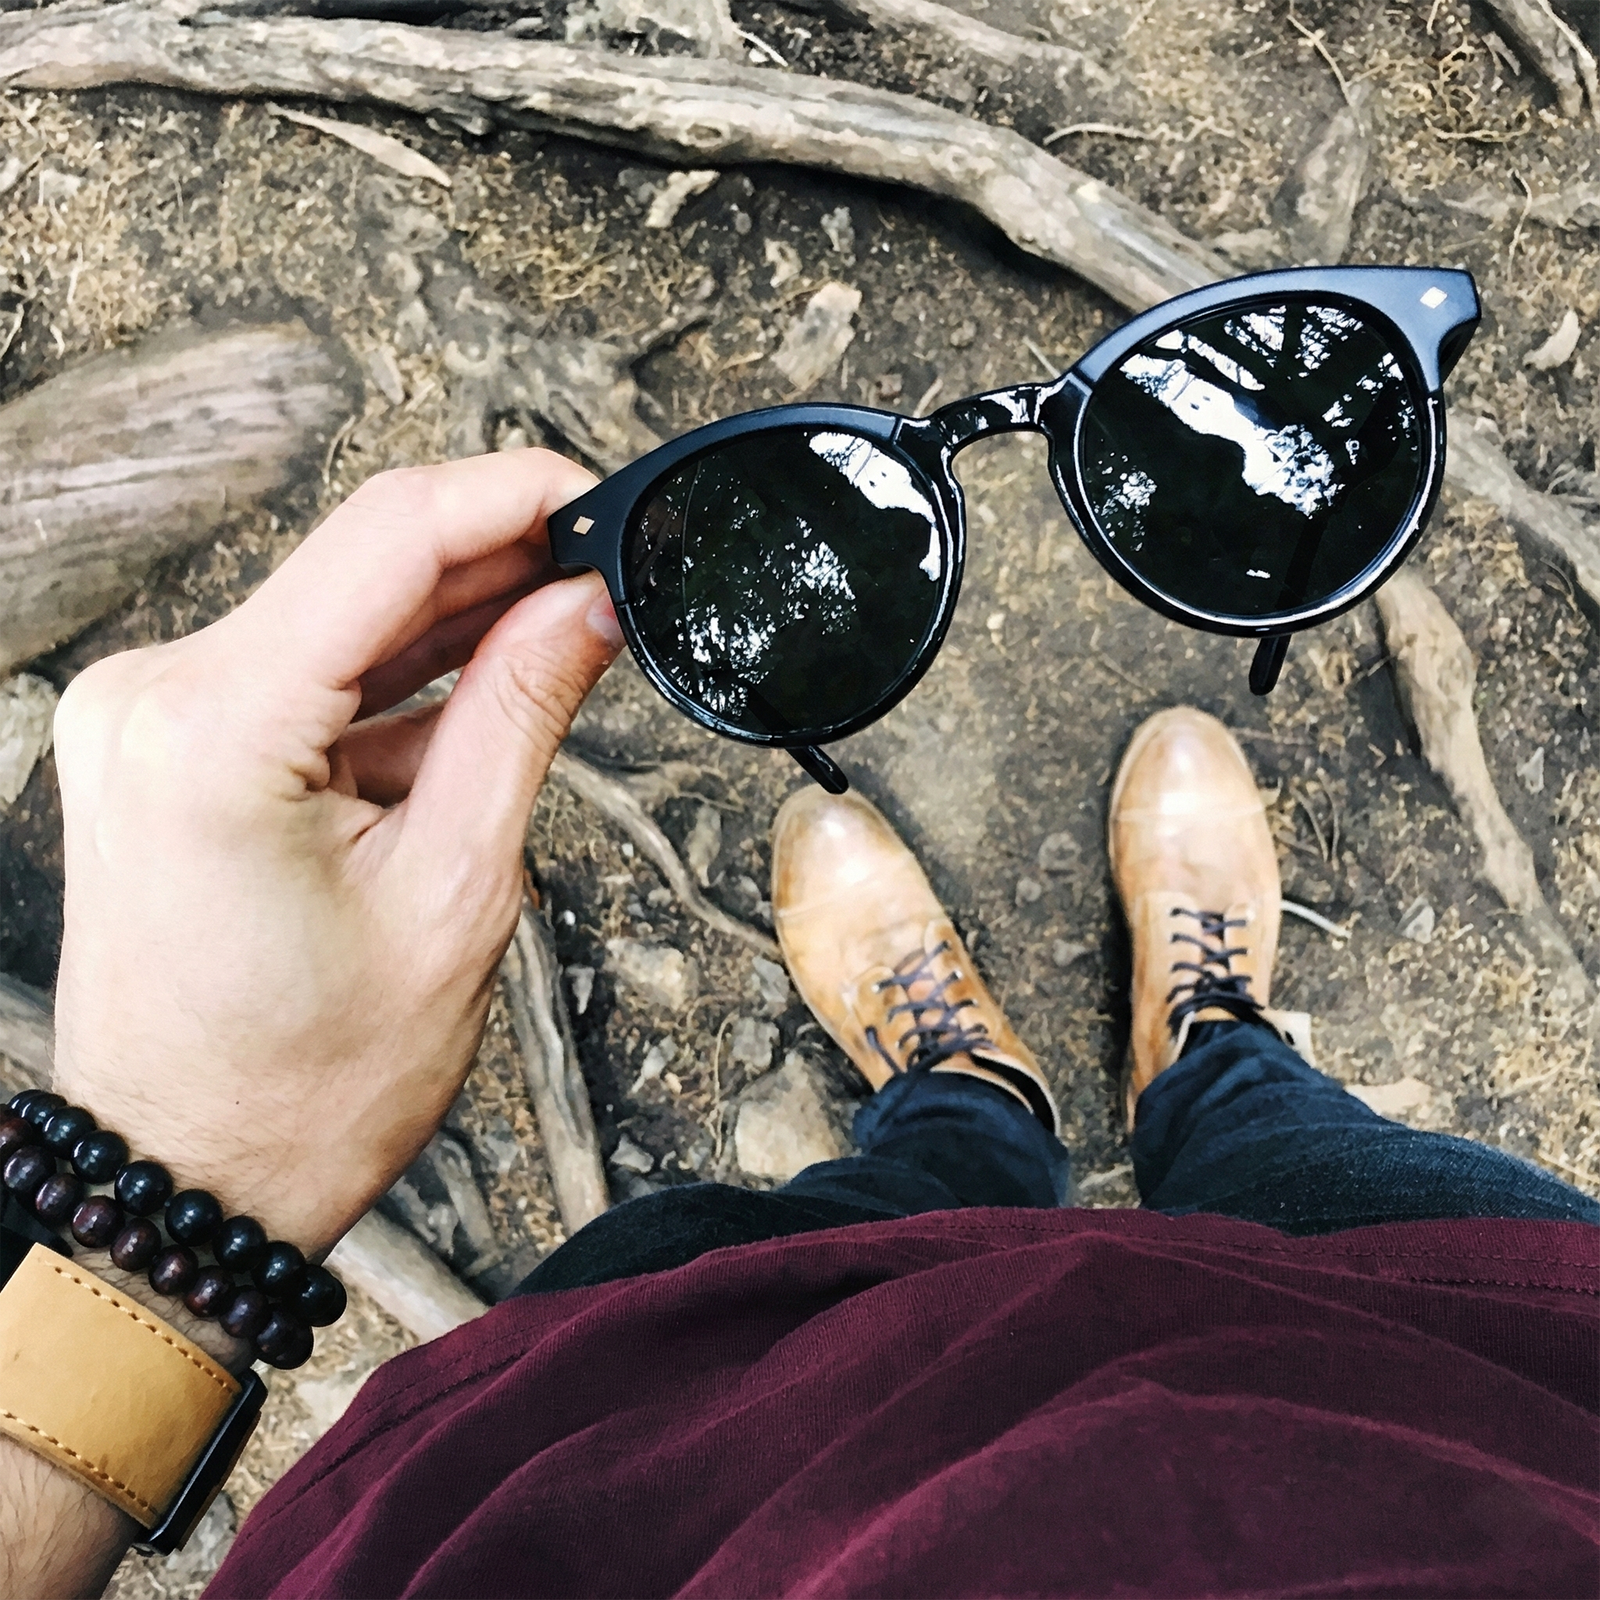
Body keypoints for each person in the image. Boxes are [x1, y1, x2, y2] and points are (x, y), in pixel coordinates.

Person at [0, 451, 1594, 1600]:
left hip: (630, 1491)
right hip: (1490, 1402)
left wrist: (165, 1199)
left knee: (834, 1242)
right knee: (1307, 1170)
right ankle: (1208, 1053)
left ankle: (973, 1102)